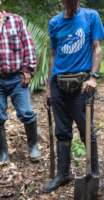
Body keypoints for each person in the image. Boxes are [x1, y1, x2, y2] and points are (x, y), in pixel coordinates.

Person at [43, 0, 104, 193]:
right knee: (62, 131)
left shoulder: (90, 16)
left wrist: (94, 77)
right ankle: (63, 174)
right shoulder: (54, 22)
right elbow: (53, 54)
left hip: (82, 84)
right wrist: (48, 86)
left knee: (86, 128)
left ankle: (93, 174)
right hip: (58, 83)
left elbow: (97, 48)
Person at [0, 8, 41, 165]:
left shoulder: (15, 20)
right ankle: (3, 153)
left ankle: (33, 147)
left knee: (26, 112)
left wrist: (28, 70)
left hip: (17, 77)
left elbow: (27, 45)